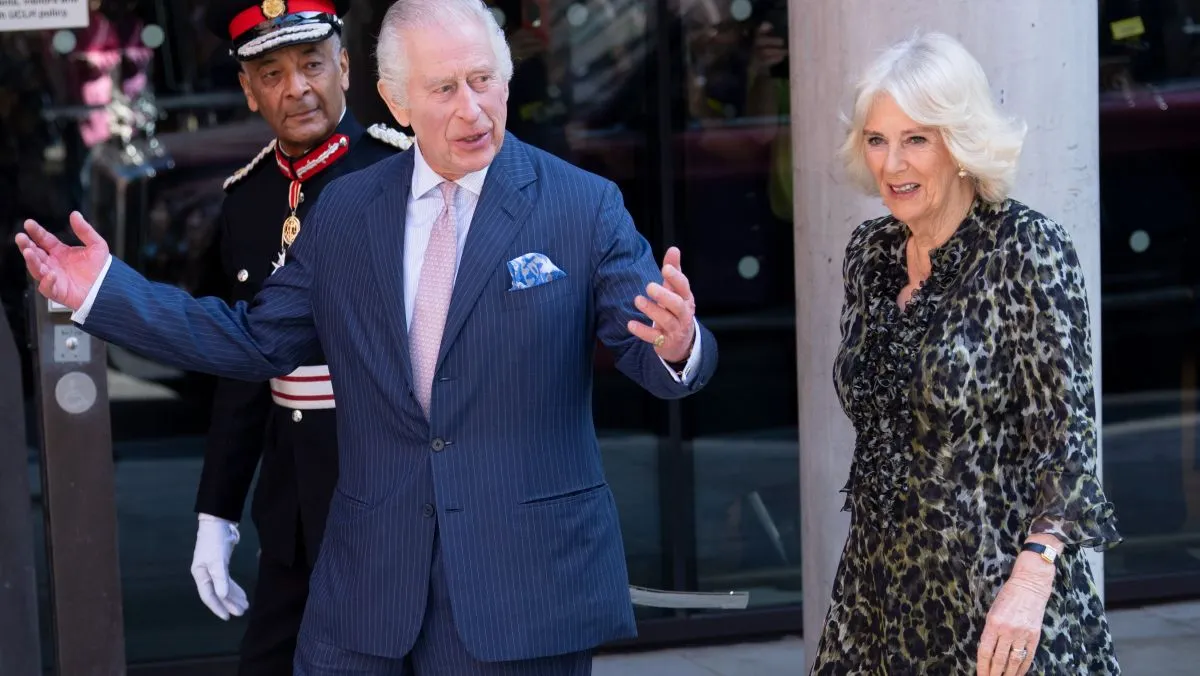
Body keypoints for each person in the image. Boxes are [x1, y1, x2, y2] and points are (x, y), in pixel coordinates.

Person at [15, 0, 717, 673]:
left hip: (520, 587)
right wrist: (106, 290)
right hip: (365, 589)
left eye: (483, 80)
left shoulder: (583, 204)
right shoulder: (348, 210)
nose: (472, 109)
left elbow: (650, 349)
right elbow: (255, 341)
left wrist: (677, 344)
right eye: (444, 88)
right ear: (395, 100)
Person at [812, 32, 1122, 676]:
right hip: (877, 595)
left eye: (916, 139)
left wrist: (1031, 581)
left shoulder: (1026, 249)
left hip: (997, 597)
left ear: (960, 143)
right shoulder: (871, 253)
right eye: (877, 140)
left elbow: (1068, 442)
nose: (892, 163)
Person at [186, 1, 414, 674]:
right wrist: (216, 511)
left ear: (344, 67)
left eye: (312, 64)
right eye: (272, 74)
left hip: (389, 489)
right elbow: (243, 363)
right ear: (248, 90)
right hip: (292, 504)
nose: (297, 88)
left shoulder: (403, 175)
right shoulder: (248, 196)